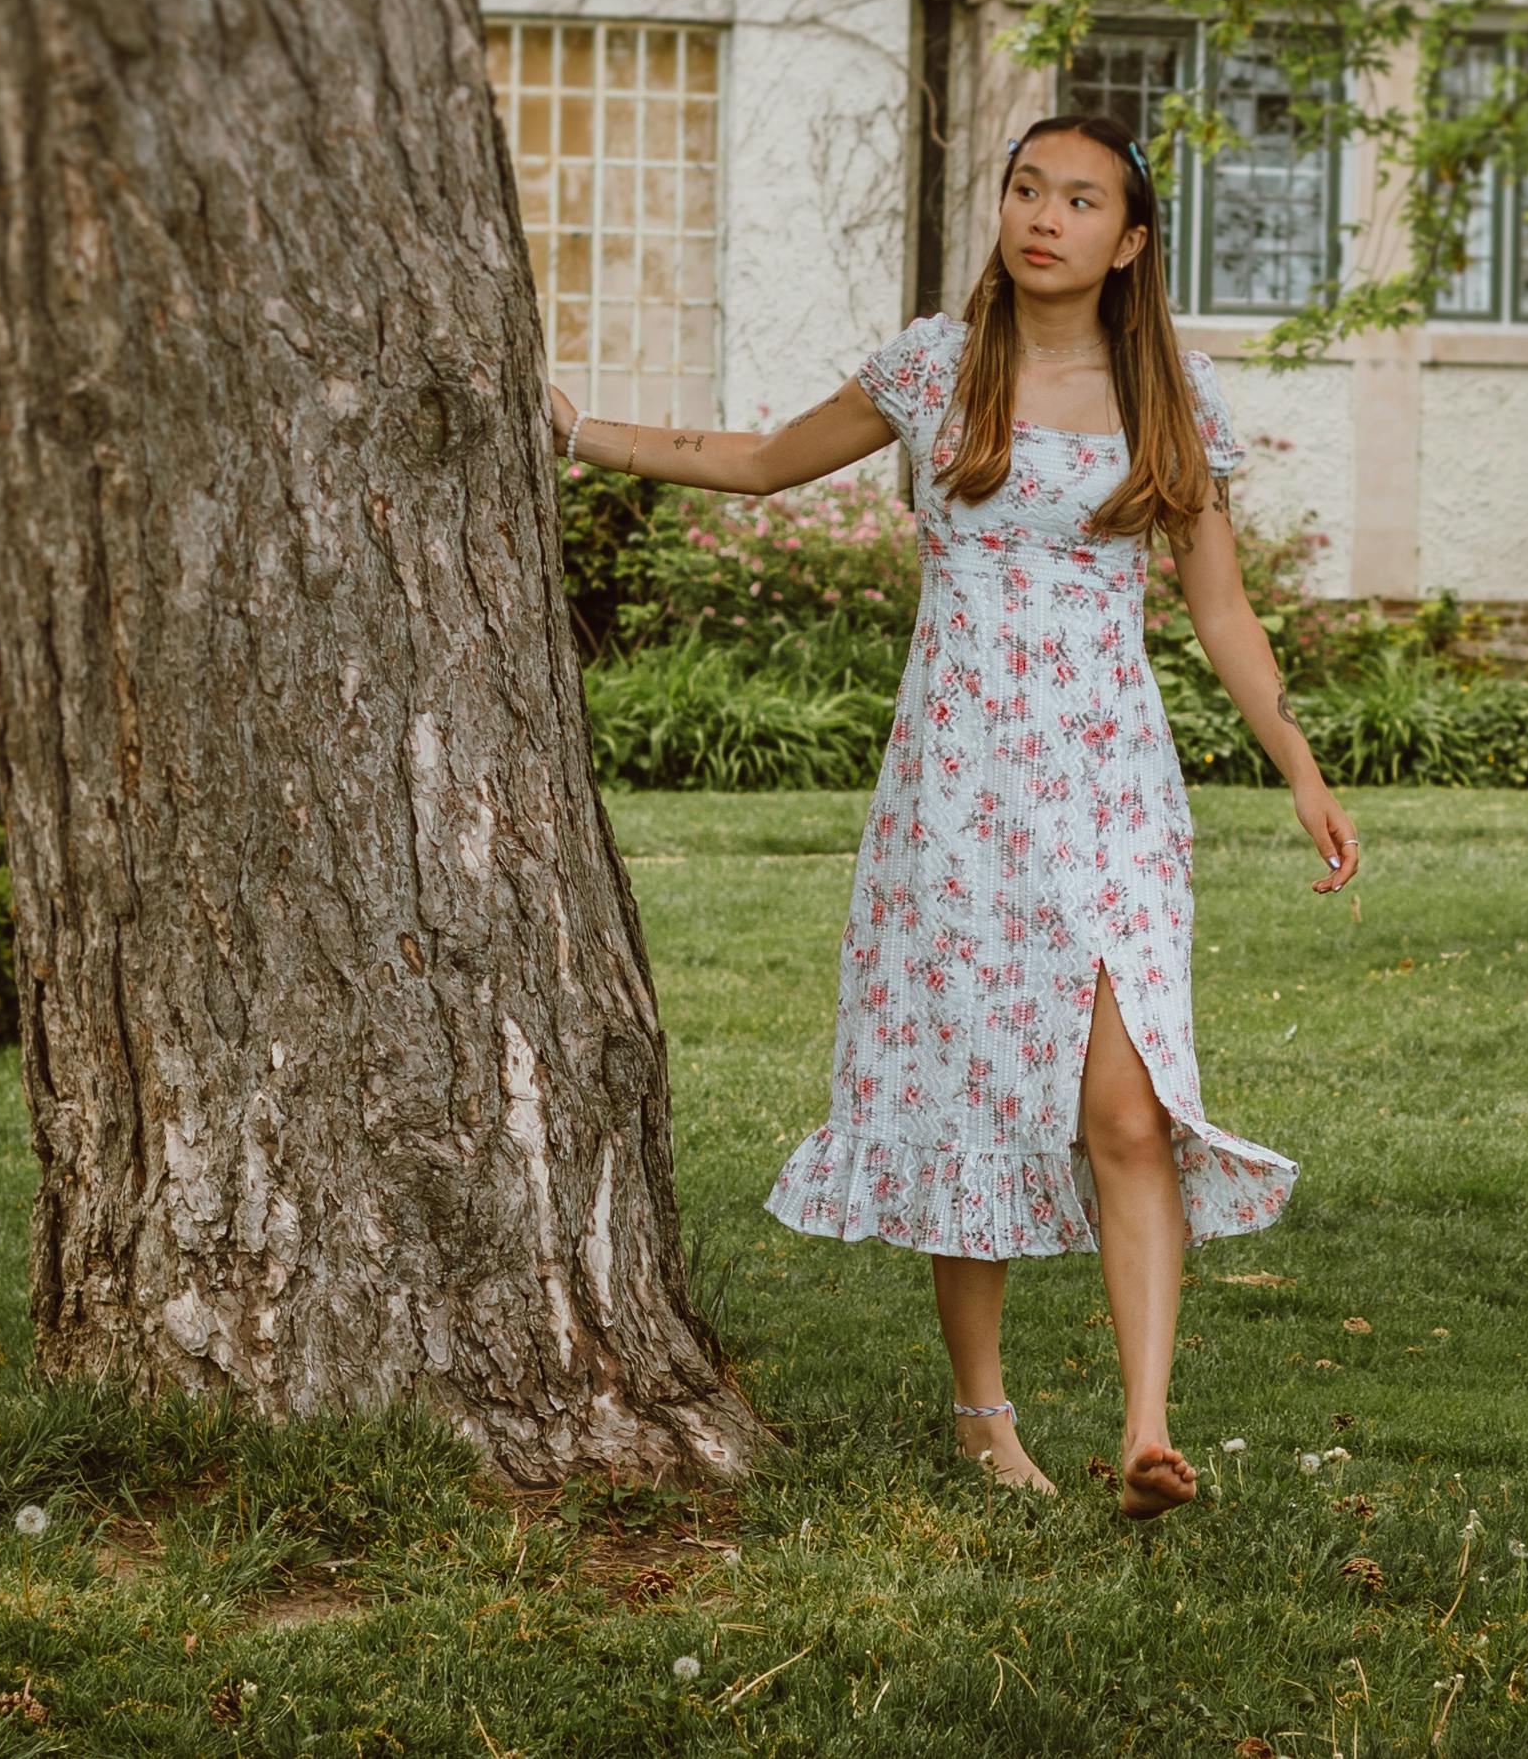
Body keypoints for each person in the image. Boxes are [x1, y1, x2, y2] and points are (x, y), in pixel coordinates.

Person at [550, 113, 1360, 1514]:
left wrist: (1296, 760)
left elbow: (1220, 605)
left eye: (1082, 197)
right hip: (958, 796)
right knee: (973, 1093)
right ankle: (984, 1416)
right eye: (1027, 187)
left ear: (1131, 237)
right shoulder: (933, 367)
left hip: (1111, 787)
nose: (1045, 214)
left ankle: (1149, 1425)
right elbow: (756, 461)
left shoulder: (1169, 393)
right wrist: (572, 427)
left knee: (1130, 1105)